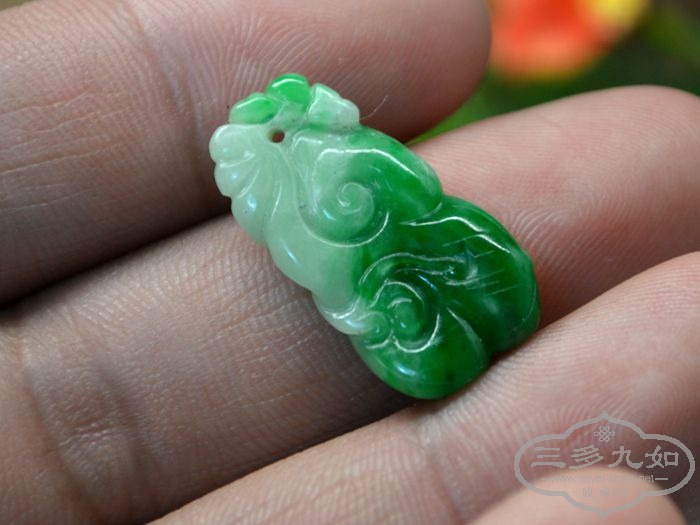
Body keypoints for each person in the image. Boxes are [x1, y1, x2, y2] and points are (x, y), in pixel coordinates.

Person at [0, 0, 697, 523]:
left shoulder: (342, 157)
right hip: (387, 294)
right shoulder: (291, 198)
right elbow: (332, 266)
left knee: (486, 281)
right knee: (440, 314)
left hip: (431, 251)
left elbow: (413, 190)